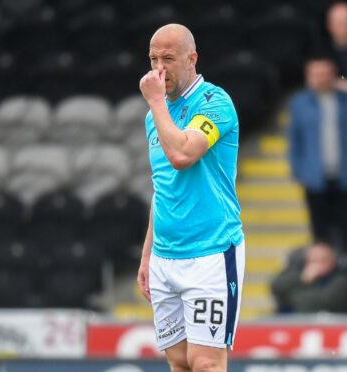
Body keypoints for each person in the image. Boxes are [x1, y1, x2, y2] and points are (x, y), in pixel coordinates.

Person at [137, 24, 245, 372]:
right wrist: (147, 255)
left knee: (205, 363)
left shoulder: (215, 103)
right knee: (179, 362)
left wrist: (155, 102)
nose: (159, 69)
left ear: (192, 58)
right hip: (165, 257)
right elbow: (163, 187)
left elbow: (183, 155)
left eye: (168, 59)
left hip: (210, 252)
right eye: (153, 59)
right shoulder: (155, 118)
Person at [288, 54, 347, 251]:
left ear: (334, 75)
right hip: (316, 178)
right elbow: (295, 140)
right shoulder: (300, 104)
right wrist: (299, 170)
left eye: (325, 74)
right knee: (321, 231)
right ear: (308, 76)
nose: (321, 78)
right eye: (316, 74)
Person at [271, 242, 347, 313]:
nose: (318, 265)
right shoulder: (297, 273)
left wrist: (296, 294)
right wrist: (302, 279)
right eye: (313, 261)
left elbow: (325, 302)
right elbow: (277, 287)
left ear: (333, 261)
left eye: (323, 260)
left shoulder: (341, 279)